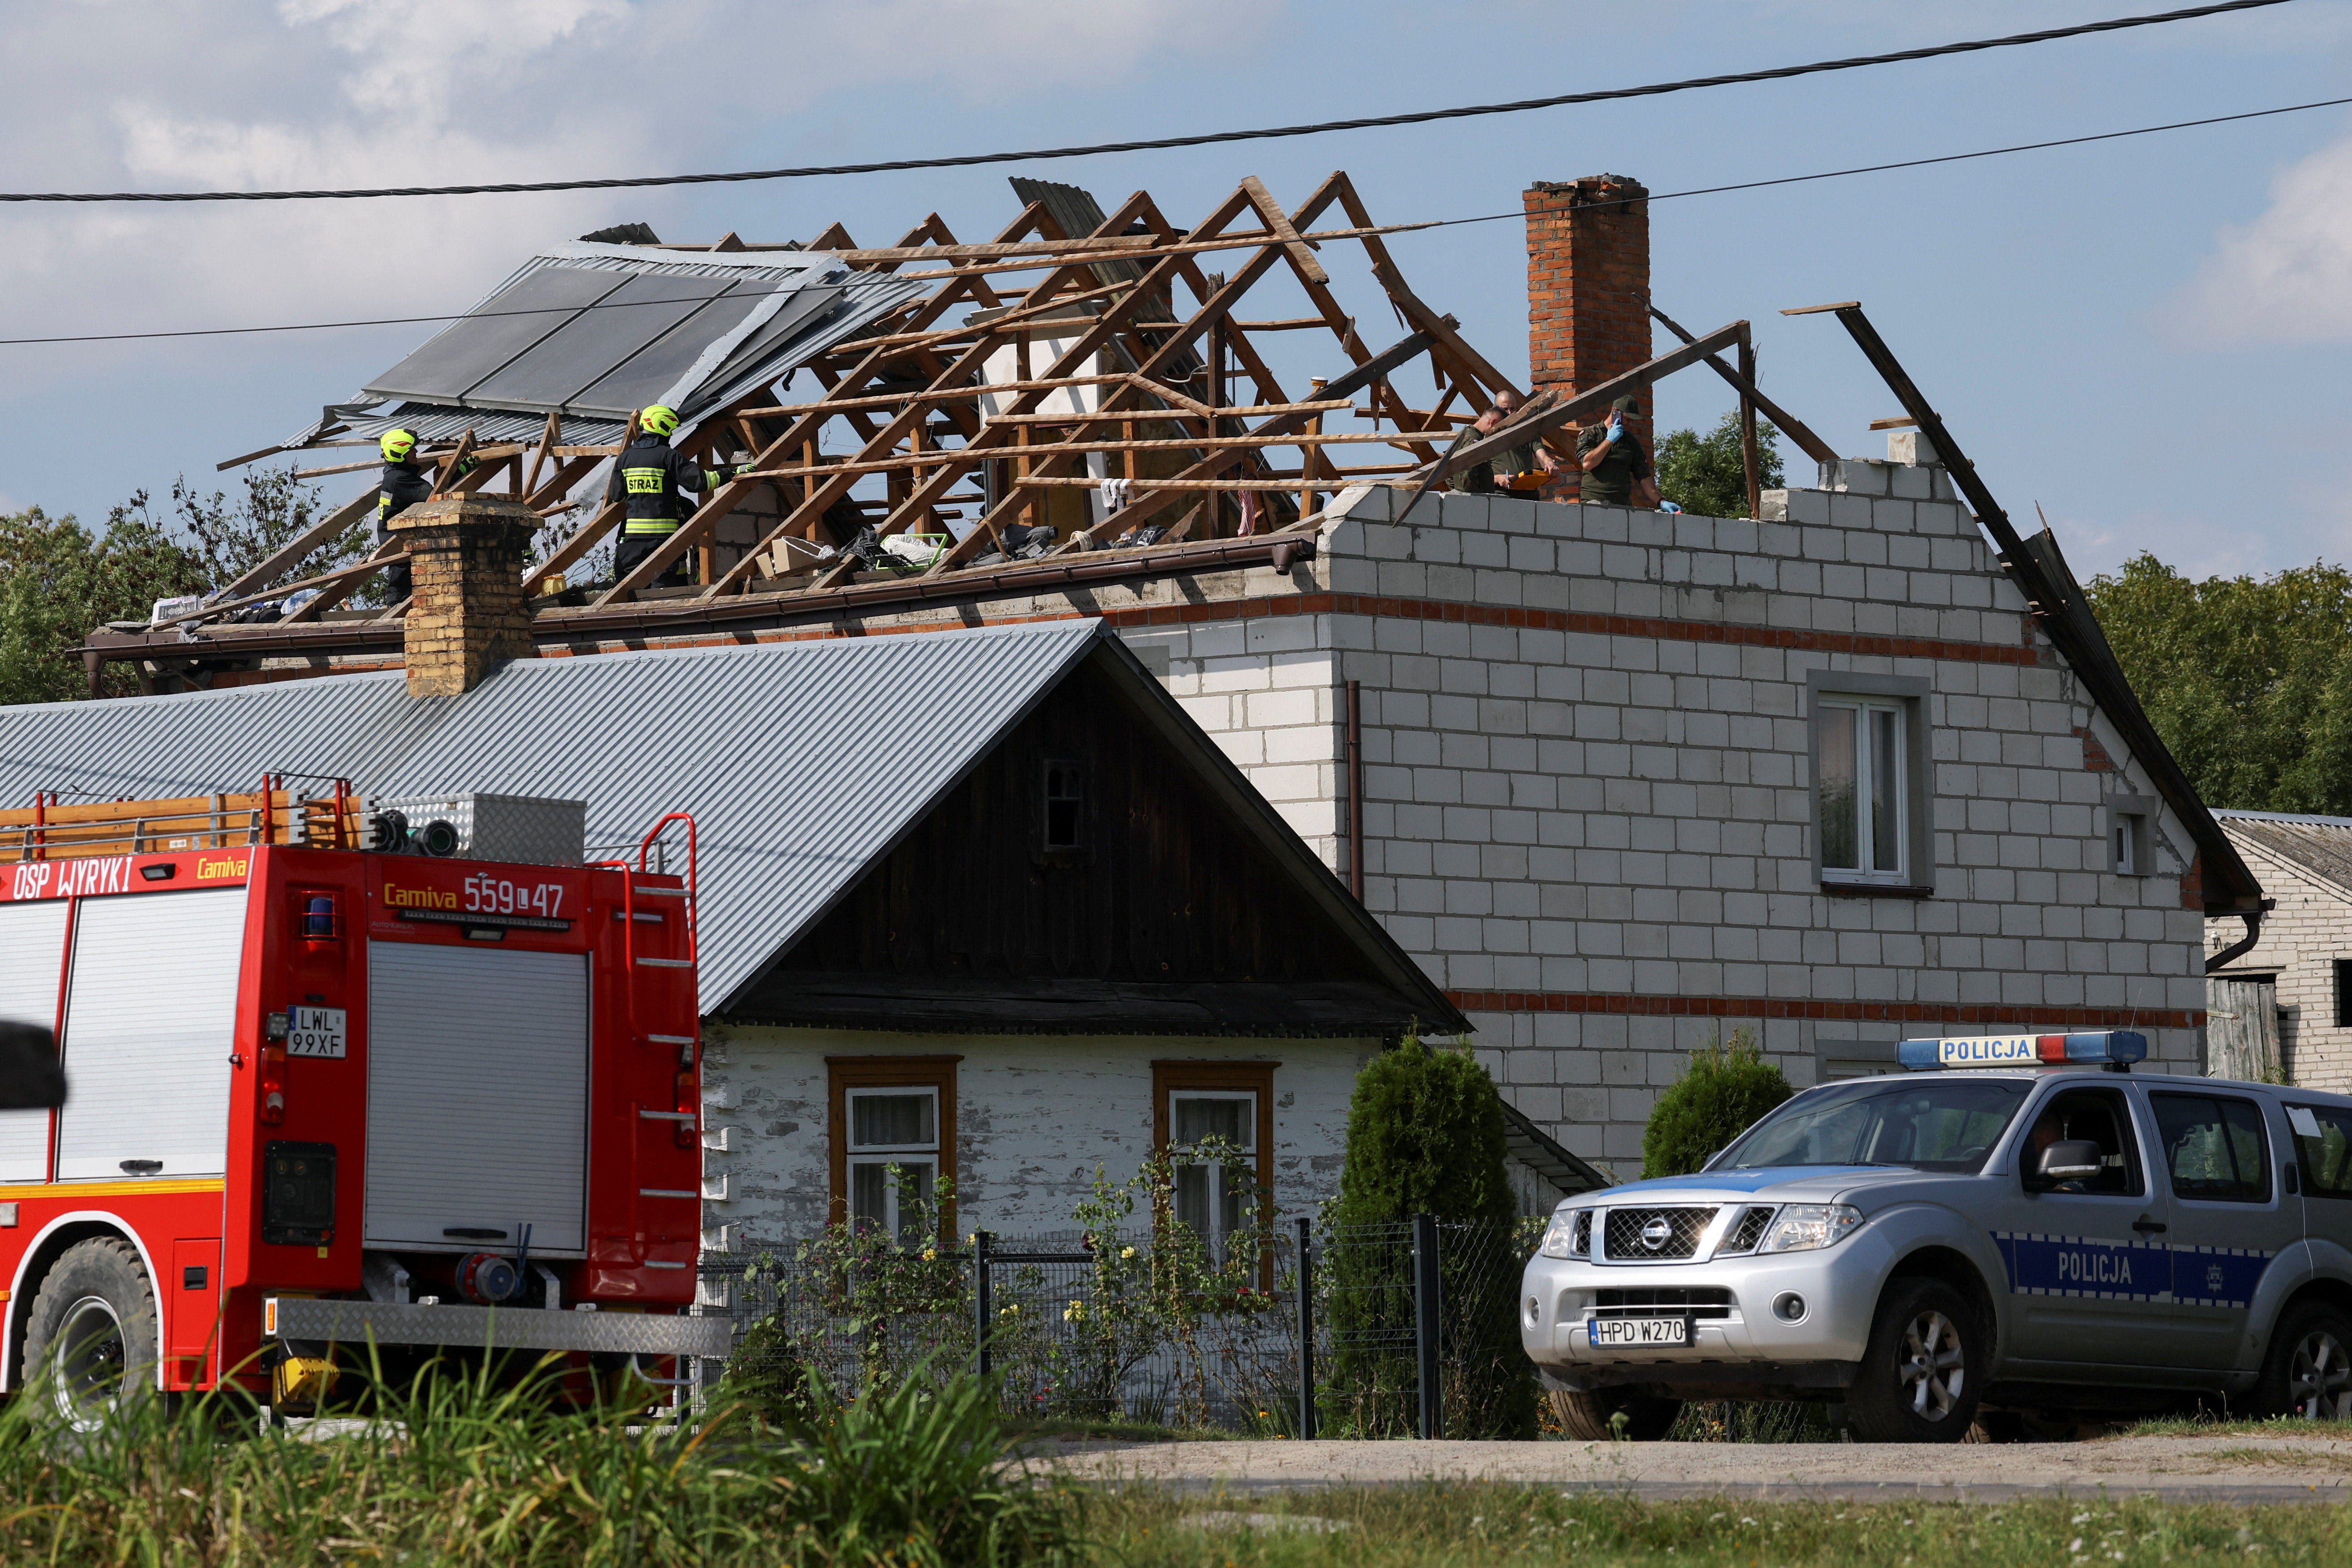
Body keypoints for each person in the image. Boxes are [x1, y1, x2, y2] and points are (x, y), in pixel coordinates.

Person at [605, 404, 708, 589]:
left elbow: (616, 495)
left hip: (631, 542)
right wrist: (731, 472)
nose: (670, 435)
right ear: (663, 427)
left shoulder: (625, 458)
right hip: (662, 541)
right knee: (660, 593)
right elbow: (698, 482)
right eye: (670, 430)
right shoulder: (669, 456)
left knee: (627, 594)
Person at [1448, 390, 1559, 495]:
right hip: (1501, 494)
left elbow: (1542, 454)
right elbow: (1457, 471)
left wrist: (1549, 462)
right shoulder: (1482, 437)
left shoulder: (1526, 432)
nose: (1509, 414)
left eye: (1512, 409)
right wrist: (1496, 479)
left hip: (1527, 494)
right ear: (1495, 412)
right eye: (1505, 409)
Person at [373, 429, 433, 603]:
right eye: (411, 450)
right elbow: (435, 497)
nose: (416, 453)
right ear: (399, 454)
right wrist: (459, 473)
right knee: (402, 599)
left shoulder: (397, 475)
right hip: (400, 544)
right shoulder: (400, 479)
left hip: (400, 543)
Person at [1575, 394, 1661, 510]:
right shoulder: (1591, 433)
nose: (1631, 424)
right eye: (1628, 419)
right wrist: (1610, 440)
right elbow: (1588, 463)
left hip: (1622, 505)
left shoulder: (1631, 441)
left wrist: (1661, 501)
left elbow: (1644, 476)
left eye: (1633, 421)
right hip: (1594, 502)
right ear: (1616, 412)